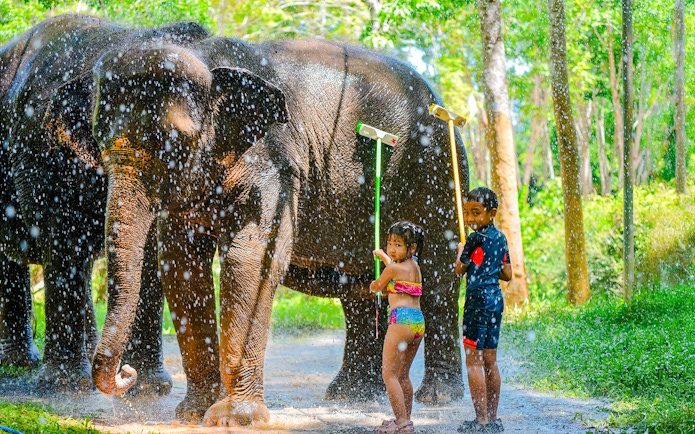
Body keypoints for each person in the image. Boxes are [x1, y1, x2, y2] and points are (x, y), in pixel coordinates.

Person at [455, 187, 512, 434]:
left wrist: (461, 252)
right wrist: (487, 267)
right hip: (495, 301)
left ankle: (481, 422)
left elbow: (459, 269)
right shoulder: (500, 238)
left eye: (475, 213)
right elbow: (507, 274)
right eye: (467, 213)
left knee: (473, 361)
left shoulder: (474, 239)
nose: (469, 220)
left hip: (477, 301)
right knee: (490, 361)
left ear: (492, 213)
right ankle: (493, 418)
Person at [370, 221, 425, 434]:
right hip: (418, 322)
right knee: (403, 375)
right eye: (390, 243)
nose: (392, 249)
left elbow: (377, 285)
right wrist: (384, 256)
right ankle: (405, 418)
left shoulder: (393, 268)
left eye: (398, 245)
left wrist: (373, 285)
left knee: (389, 375)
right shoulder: (415, 266)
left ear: (412, 248)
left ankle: (402, 423)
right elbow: (395, 269)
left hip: (400, 321)